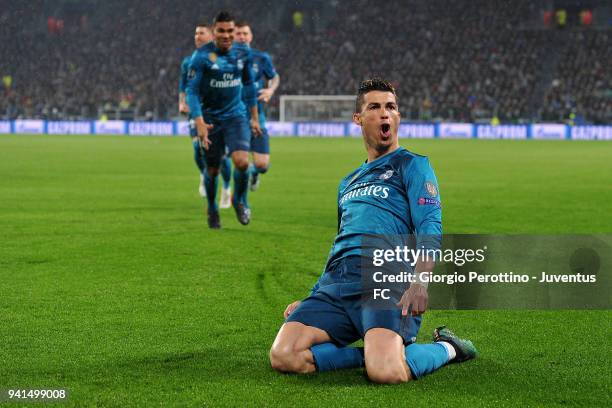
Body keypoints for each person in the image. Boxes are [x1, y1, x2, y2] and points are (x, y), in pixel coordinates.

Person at [269, 78, 477, 383]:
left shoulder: (412, 165)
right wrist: (313, 295)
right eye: (375, 107)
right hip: (337, 285)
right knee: (284, 355)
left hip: (385, 275)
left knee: (386, 372)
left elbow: (430, 225)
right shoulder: (348, 182)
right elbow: (341, 243)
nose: (385, 114)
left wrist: (420, 282)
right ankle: (372, 352)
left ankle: (448, 348)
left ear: (398, 116)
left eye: (391, 107)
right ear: (358, 118)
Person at [186, 11, 262, 228]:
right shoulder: (201, 57)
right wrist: (199, 121)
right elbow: (191, 91)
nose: (227, 35)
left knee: (242, 162)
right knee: (212, 170)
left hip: (236, 117)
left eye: (230, 31)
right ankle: (212, 208)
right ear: (214, 32)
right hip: (210, 120)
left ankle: (241, 200)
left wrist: (254, 118)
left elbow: (248, 85)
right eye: (222, 31)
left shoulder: (243, 54)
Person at [179, 24, 233, 207]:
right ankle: (203, 174)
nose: (197, 36)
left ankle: (226, 188)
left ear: (211, 36)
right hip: (198, 112)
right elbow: (183, 86)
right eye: (195, 33)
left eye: (201, 33)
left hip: (219, 113)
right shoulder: (189, 61)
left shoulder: (224, 59)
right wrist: (182, 102)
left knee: (223, 156)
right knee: (197, 149)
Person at [235, 21, 280, 191]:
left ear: (251, 36)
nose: (242, 37)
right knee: (239, 160)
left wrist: (270, 90)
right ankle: (235, 195)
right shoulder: (225, 60)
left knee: (262, 165)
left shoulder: (261, 58)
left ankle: (254, 173)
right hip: (234, 117)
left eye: (245, 33)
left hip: (257, 116)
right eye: (238, 34)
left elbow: (275, 77)